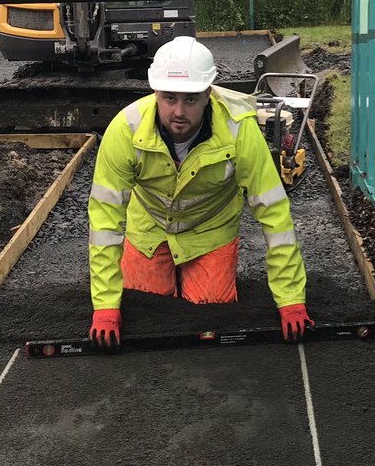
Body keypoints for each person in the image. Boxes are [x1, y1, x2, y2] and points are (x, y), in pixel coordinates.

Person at [87, 36, 313, 348]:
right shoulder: (124, 131)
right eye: (169, 98)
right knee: (145, 307)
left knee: (210, 314)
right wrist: (105, 307)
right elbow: (105, 223)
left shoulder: (240, 130)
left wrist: (290, 299)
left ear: (209, 94)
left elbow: (275, 215)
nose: (178, 111)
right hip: (149, 228)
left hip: (211, 229)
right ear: (155, 92)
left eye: (190, 99)